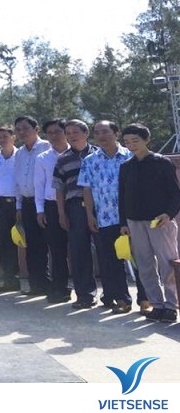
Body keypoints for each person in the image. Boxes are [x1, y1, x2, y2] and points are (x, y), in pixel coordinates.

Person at [119, 123, 180, 323]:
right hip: (134, 221)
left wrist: (168, 215)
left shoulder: (161, 162)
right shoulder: (126, 166)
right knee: (144, 265)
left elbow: (176, 194)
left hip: (159, 221)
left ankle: (171, 305)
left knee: (167, 264)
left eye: (135, 141)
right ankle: (157, 304)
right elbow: (122, 197)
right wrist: (123, 223)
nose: (131, 145)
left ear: (146, 140)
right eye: (127, 142)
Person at [77, 121, 135, 314]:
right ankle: (120, 298)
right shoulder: (90, 161)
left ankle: (146, 299)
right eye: (97, 133)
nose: (101, 136)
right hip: (104, 217)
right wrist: (89, 215)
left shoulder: (130, 156)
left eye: (105, 132)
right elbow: (87, 190)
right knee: (109, 260)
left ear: (116, 133)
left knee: (138, 259)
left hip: (131, 217)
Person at [53, 119, 97, 308]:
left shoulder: (98, 154)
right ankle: (84, 294)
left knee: (106, 250)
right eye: (68, 133)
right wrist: (61, 213)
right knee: (79, 252)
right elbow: (59, 188)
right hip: (76, 207)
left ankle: (114, 295)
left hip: (100, 207)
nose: (71, 136)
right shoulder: (62, 159)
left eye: (75, 132)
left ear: (86, 133)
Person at [13, 115, 51, 296]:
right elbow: (17, 180)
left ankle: (53, 284)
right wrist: (19, 206)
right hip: (27, 203)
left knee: (49, 243)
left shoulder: (47, 147)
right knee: (33, 245)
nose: (22, 132)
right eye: (18, 129)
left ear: (36, 129)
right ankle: (37, 285)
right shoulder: (19, 153)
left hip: (45, 203)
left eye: (25, 128)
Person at [34, 119, 70, 303]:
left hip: (75, 205)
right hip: (51, 206)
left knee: (79, 248)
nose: (54, 136)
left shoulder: (77, 154)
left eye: (57, 132)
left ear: (66, 132)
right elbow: (39, 185)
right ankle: (60, 288)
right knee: (56, 250)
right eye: (50, 133)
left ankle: (85, 289)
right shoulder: (43, 158)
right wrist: (40, 210)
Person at [0, 125, 20, 292]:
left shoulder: (21, 156)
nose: (2, 140)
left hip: (19, 203)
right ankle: (9, 279)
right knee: (4, 242)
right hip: (1, 204)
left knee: (24, 240)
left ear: (13, 137)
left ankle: (32, 278)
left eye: (5, 136)